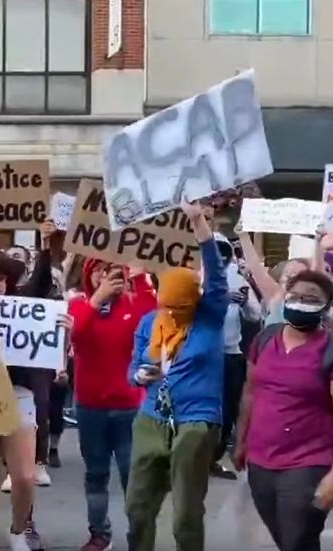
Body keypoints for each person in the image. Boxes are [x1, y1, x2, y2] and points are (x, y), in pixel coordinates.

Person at [124, 200, 227, 551]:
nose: (172, 313)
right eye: (167, 306)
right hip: (152, 417)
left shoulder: (209, 317)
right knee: (137, 507)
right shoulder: (149, 324)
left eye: (180, 307)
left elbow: (216, 274)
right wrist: (139, 375)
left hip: (196, 422)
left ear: (194, 302)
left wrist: (199, 223)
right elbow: (132, 370)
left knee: (185, 512)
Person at [0, 222, 59, 551]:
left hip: (18, 394)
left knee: (24, 476)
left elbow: (41, 284)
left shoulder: (22, 305)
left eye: (1, 279)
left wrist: (47, 245)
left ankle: (19, 529)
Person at [233, 269, 333, 551]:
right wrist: (241, 441)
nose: (301, 302)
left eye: (311, 298)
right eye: (296, 295)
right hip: (261, 462)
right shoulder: (265, 339)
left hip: (308, 462)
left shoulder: (329, 351)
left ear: (326, 307)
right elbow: (250, 391)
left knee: (298, 538)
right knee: (284, 537)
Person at [68, 258, 156, 551]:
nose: (107, 276)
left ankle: (139, 537)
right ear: (89, 274)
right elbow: (76, 333)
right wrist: (97, 299)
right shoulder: (79, 305)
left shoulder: (133, 304)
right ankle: (99, 535)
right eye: (100, 270)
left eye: (114, 270)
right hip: (91, 407)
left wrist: (141, 277)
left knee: (133, 476)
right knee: (96, 475)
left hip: (129, 406)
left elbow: (153, 319)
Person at [210, 234, 261, 480]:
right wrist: (218, 299)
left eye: (224, 254)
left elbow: (256, 314)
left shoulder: (237, 278)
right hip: (203, 356)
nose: (219, 259)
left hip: (231, 355)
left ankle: (213, 458)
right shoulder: (194, 277)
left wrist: (243, 303)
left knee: (228, 410)